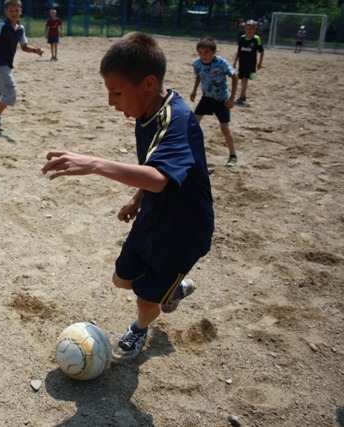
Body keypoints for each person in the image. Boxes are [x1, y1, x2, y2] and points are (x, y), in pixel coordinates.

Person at [41, 32, 214, 362]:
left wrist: (93, 163)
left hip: (183, 230)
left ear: (148, 83)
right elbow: (154, 166)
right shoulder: (147, 112)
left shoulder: (175, 119)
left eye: (117, 92)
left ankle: (139, 328)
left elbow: (161, 179)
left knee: (146, 299)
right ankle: (173, 290)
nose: (111, 101)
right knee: (123, 279)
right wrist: (137, 198)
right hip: (153, 214)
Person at [0, 0, 44, 132]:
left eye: (16, 10)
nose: (14, 13)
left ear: (21, 11)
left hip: (6, 65)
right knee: (11, 93)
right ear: (5, 12)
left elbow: (24, 47)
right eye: (11, 11)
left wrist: (35, 50)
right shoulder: (1, 25)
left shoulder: (20, 28)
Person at [191, 36, 239, 167]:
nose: (203, 55)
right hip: (206, 97)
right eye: (200, 52)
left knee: (224, 128)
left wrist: (231, 99)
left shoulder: (221, 63)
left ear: (214, 52)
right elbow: (198, 75)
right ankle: (189, 153)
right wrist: (195, 90)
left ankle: (233, 155)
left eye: (206, 52)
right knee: (193, 124)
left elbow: (235, 78)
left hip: (221, 99)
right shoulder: (197, 63)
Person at [233, 19, 264, 106]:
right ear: (245, 29)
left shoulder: (256, 39)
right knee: (242, 80)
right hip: (242, 63)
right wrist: (235, 62)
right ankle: (243, 95)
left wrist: (260, 63)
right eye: (247, 28)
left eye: (251, 28)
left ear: (254, 30)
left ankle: (242, 97)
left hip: (250, 64)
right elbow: (239, 51)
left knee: (245, 79)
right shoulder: (242, 38)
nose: (249, 30)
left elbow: (261, 51)